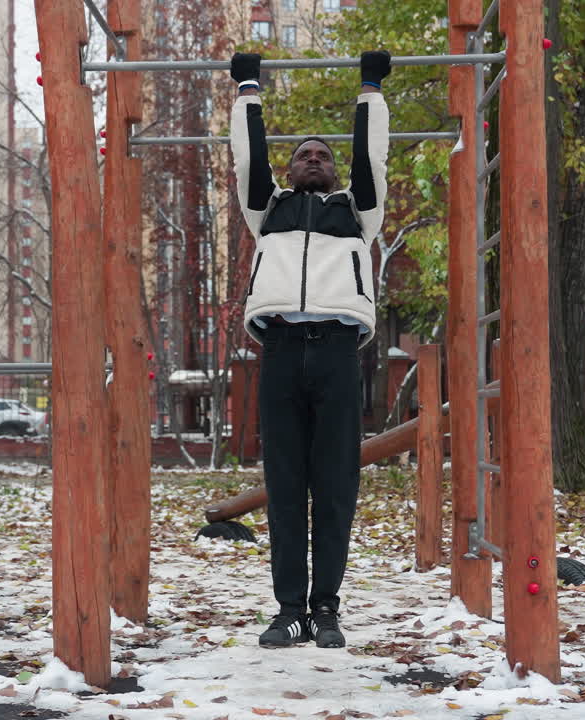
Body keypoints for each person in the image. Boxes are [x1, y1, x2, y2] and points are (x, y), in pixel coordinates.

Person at [228, 50, 391, 648]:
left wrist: (370, 87)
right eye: (305, 155)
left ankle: (326, 608)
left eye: (323, 155)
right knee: (286, 482)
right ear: (291, 171)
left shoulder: (357, 212)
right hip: (280, 353)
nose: (316, 159)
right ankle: (289, 609)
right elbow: (248, 154)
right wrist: (249, 88)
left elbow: (369, 155)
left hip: (337, 353)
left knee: (336, 483)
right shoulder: (267, 211)